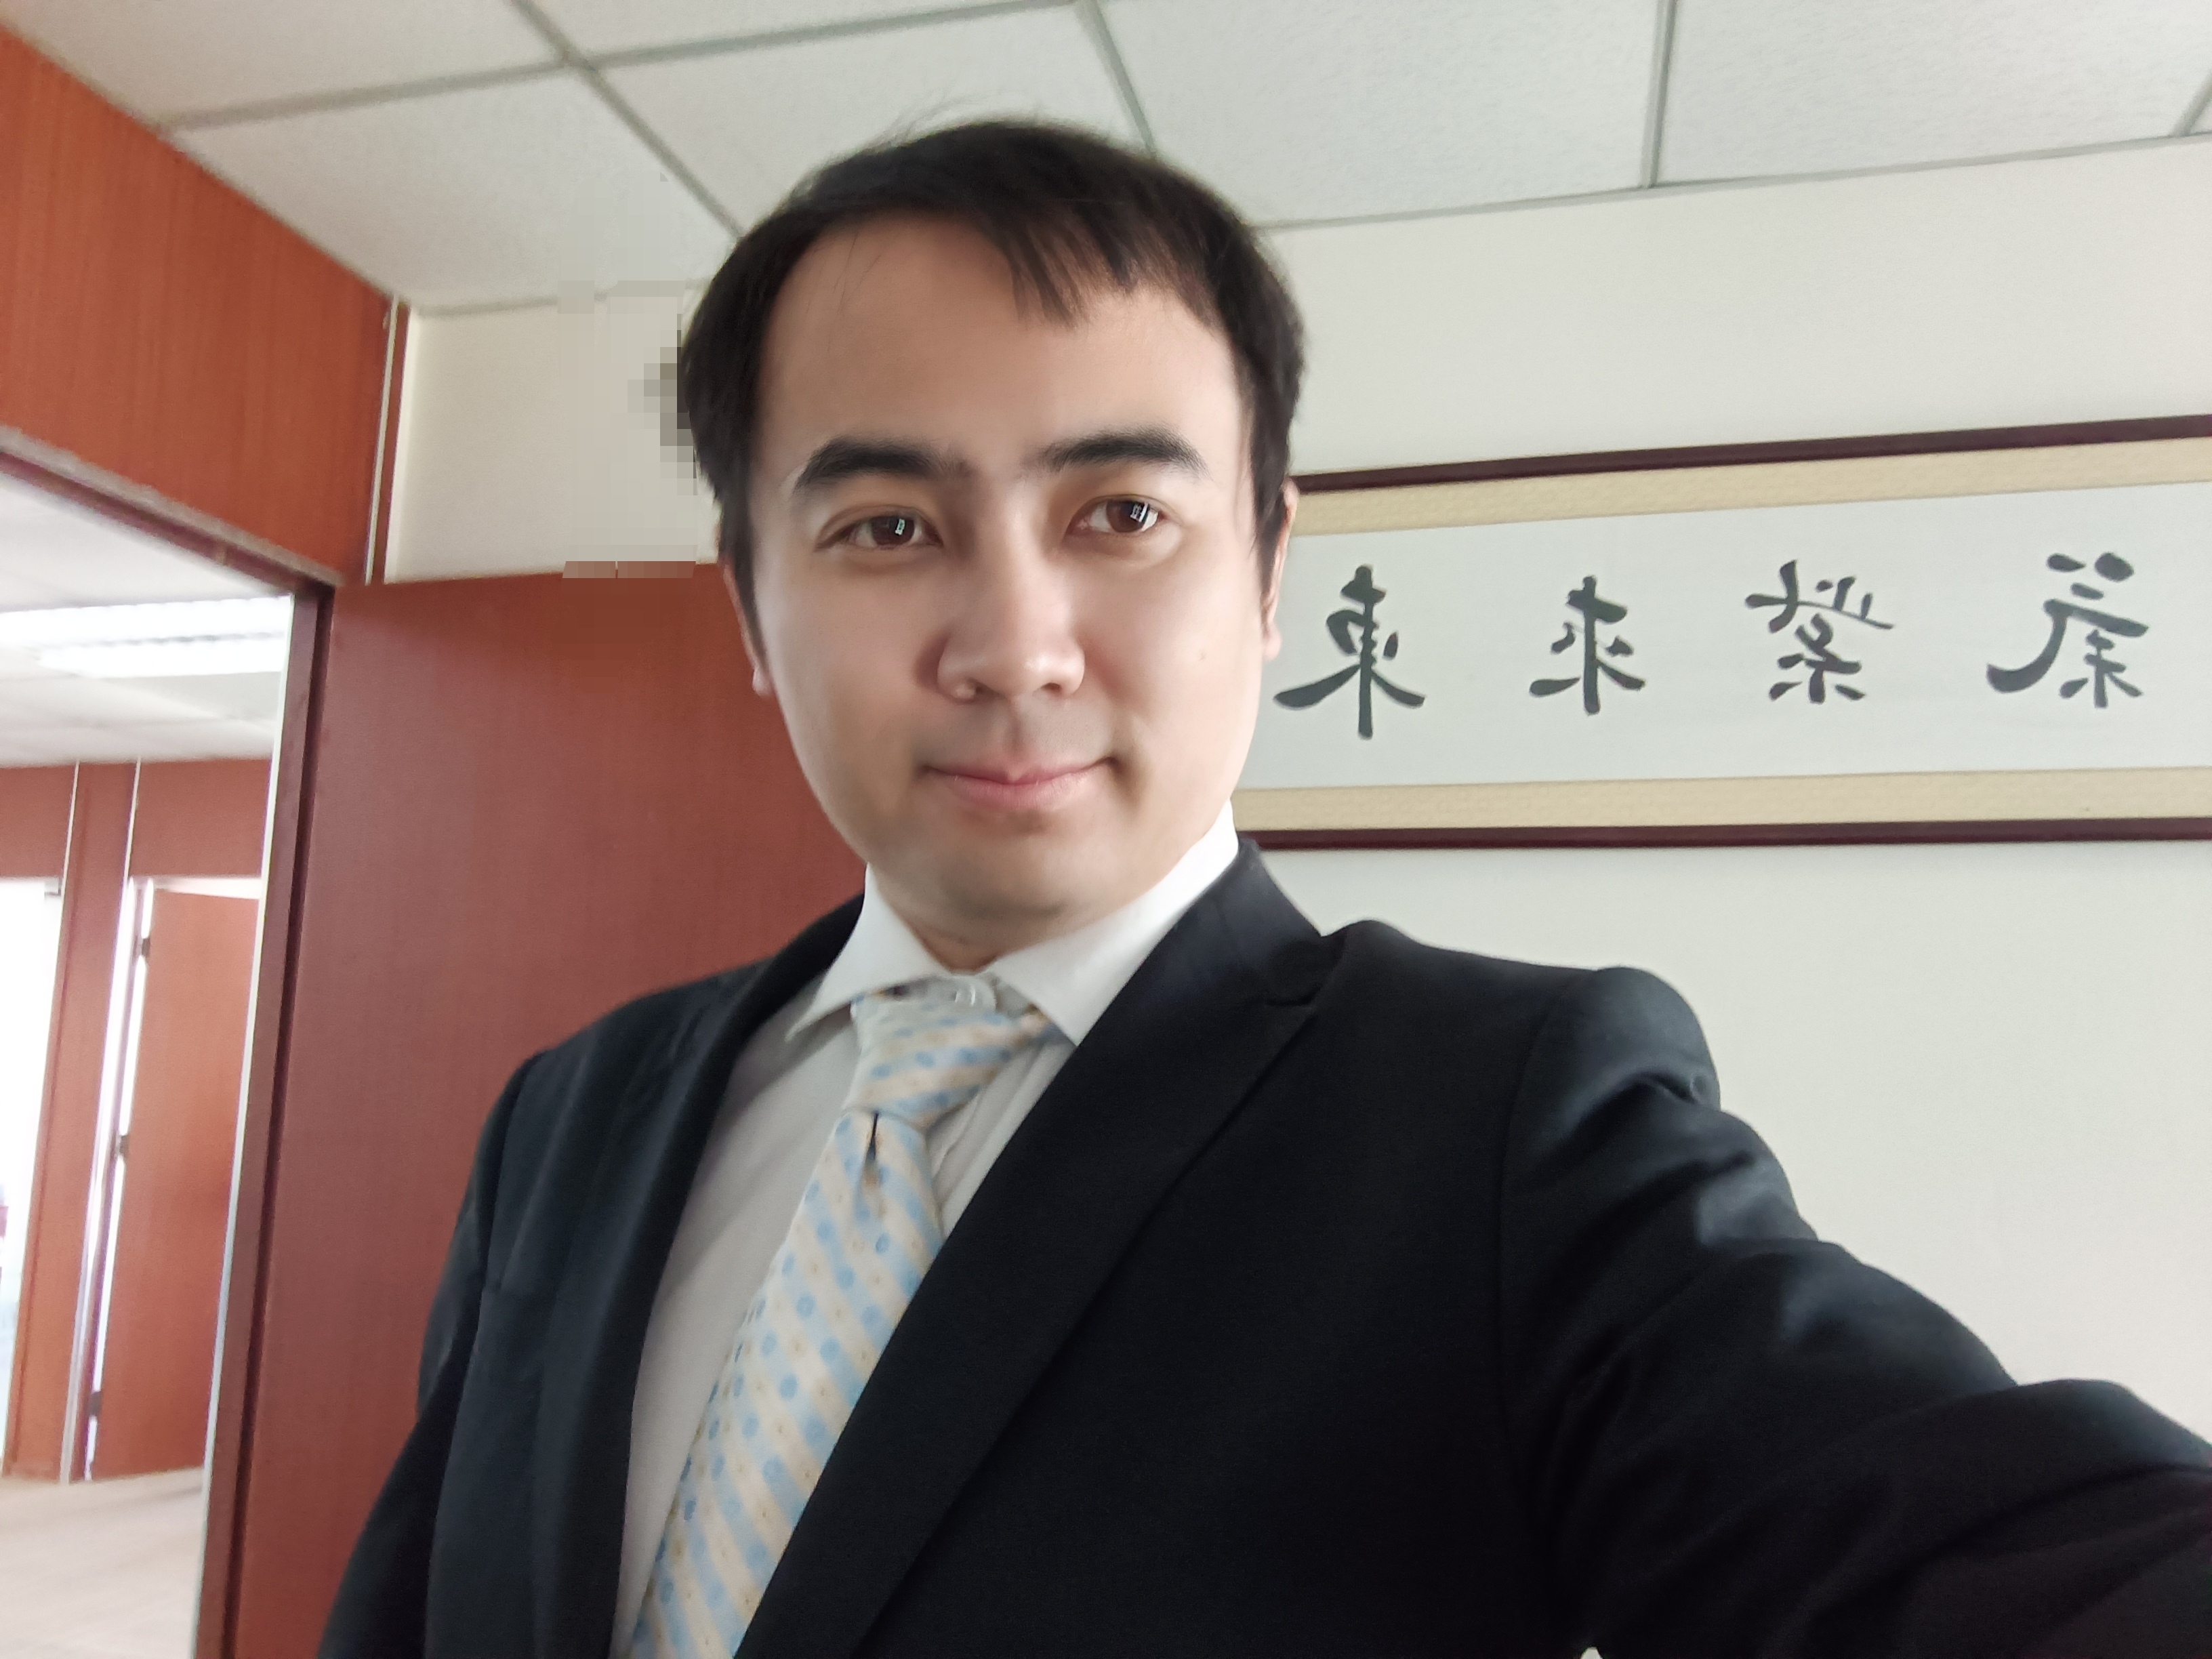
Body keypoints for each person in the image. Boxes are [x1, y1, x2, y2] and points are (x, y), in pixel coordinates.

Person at [323, 121, 2212, 1659]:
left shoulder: (1507, 1126)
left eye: (1121, 515)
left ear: (1270, 569)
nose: (1016, 645)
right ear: (750, 602)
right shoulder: (570, 1117)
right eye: (887, 527)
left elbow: (1968, 1550)